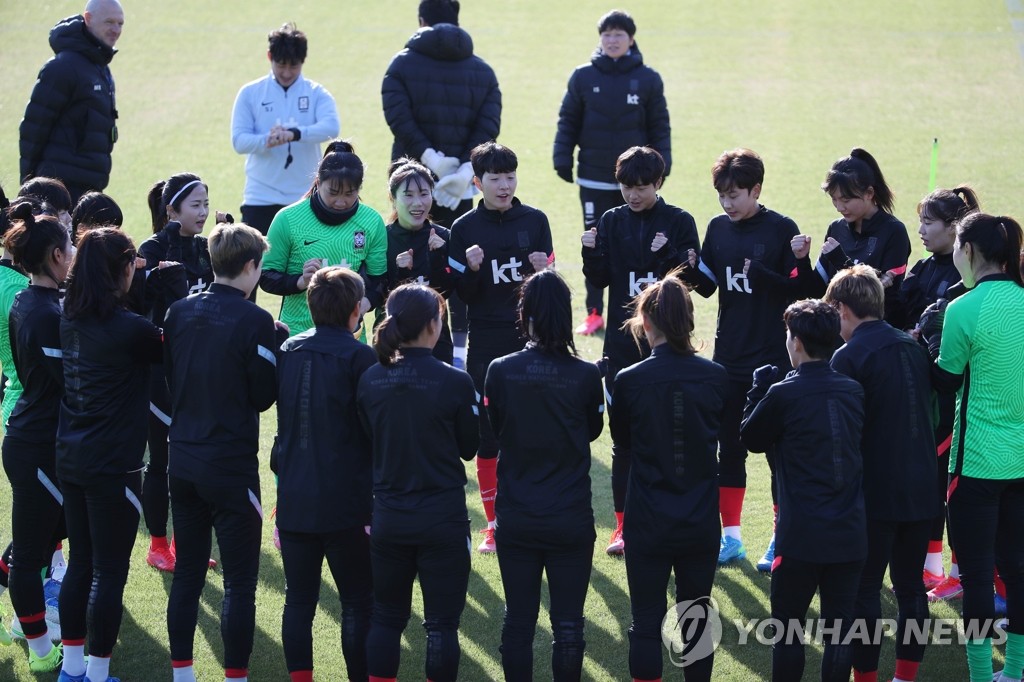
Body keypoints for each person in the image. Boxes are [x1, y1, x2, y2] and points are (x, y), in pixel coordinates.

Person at [163, 223, 286, 682]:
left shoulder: (177, 311)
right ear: (252, 266)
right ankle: (235, 676)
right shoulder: (255, 320)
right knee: (239, 583)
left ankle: (183, 674)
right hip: (230, 467)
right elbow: (262, 396)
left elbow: (172, 379)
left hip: (183, 460)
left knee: (189, 574)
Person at [678, 148, 801, 569]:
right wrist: (691, 268)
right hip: (728, 358)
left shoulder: (783, 229)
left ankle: (780, 539)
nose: (728, 203)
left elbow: (797, 292)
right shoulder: (718, 228)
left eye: (735, 195)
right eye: (722, 195)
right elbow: (709, 287)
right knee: (727, 450)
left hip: (772, 362)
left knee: (777, 456)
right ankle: (730, 539)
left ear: (756, 190)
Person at [484, 270, 604, 680]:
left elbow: (495, 429)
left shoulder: (500, 369)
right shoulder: (586, 374)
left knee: (518, 620)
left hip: (517, 515)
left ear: (525, 313)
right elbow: (592, 430)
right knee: (568, 626)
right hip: (570, 516)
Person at [357, 283, 479, 682]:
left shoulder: (371, 379)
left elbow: (366, 441)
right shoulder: (455, 381)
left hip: (390, 516)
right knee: (441, 625)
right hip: (442, 518)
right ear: (433, 325)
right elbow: (469, 448)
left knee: (387, 618)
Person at [824, 265, 940, 682]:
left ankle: (867, 679)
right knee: (910, 587)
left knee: (865, 587)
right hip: (924, 487)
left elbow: (841, 433)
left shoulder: (848, 355)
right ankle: (905, 677)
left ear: (841, 308)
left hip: (875, 492)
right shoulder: (913, 347)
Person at [741, 299, 866, 682]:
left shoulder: (782, 393)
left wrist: (757, 391)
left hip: (801, 537)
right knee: (840, 634)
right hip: (849, 533)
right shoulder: (853, 390)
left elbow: (751, 437)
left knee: (789, 635)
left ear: (795, 342)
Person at [580, 145, 698, 555]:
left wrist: (668, 254)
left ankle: (670, 522)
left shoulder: (679, 221)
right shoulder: (612, 221)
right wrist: (589, 251)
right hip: (622, 346)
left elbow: (697, 282)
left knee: (670, 439)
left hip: (670, 346)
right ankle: (625, 529)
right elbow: (599, 276)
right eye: (626, 187)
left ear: (659, 183)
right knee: (624, 441)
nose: (633, 195)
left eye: (641, 187)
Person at [56, 226, 161, 682]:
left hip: (72, 458)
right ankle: (98, 675)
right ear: (120, 269)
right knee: (110, 571)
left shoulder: (68, 315)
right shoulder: (131, 329)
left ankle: (73, 669)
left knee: (81, 562)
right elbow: (167, 351)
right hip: (113, 465)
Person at [611, 272, 728, 682]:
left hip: (648, 519)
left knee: (645, 622)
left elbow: (622, 446)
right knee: (696, 621)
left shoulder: (629, 380)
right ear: (690, 319)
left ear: (646, 323)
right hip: (699, 519)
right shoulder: (716, 377)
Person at [923, 213, 1024, 682]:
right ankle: (1018, 669)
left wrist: (923, 343)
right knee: (1019, 571)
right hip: (1021, 463)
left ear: (967, 252)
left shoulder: (963, 307)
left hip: (976, 466)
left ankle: (982, 675)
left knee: (977, 579)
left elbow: (944, 381)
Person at [381, 0, 502, 368]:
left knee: (403, 256)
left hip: (410, 177)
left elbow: (397, 115)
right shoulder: (482, 71)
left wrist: (428, 157)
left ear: (422, 21)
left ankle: (400, 341)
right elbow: (489, 123)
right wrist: (466, 167)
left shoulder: (401, 64)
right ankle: (455, 350)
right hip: (461, 186)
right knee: (455, 264)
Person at [447, 141, 554, 553]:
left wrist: (545, 273)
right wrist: (472, 270)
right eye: (495, 179)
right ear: (477, 182)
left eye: (510, 177)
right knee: (489, 435)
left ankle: (532, 516)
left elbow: (548, 289)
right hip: (486, 340)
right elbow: (464, 295)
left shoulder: (536, 220)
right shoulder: (463, 230)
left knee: (533, 431)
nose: (504, 185)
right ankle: (493, 523)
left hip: (531, 339)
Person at [274, 266, 375, 682]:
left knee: (298, 601)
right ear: (356, 311)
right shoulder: (360, 356)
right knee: (357, 601)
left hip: (295, 495)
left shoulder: (289, 349)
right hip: (346, 500)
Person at [554, 9, 671, 336]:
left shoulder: (648, 79)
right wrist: (562, 156)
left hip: (636, 182)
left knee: (639, 244)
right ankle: (594, 313)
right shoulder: (583, 76)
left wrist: (663, 162)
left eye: (619, 34)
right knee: (594, 244)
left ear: (631, 39)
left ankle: (643, 309)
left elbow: (659, 125)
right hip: (593, 177)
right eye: (607, 34)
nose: (612, 40)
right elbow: (568, 121)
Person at [2, 207, 75, 672]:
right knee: (29, 556)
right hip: (37, 444)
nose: (73, 255)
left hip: (37, 438)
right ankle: (43, 652)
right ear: (53, 255)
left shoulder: (32, 300)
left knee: (45, 541)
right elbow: (73, 380)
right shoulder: (44, 313)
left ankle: (23, 623)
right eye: (70, 247)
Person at [901, 186, 980, 603]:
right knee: (930, 482)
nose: (920, 230)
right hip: (926, 393)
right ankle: (933, 567)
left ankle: (959, 569)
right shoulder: (925, 267)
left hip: (956, 396)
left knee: (953, 487)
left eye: (928, 223)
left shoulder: (965, 279)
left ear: (955, 228)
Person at [138, 173, 217, 573]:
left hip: (200, 369)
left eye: (205, 204)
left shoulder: (206, 248)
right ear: (172, 209)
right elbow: (137, 304)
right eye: (194, 206)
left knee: (194, 460)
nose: (202, 213)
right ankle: (157, 545)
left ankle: (187, 544)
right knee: (163, 460)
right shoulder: (152, 248)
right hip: (161, 371)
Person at [260, 140, 387, 337]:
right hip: (297, 337)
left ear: (359, 188)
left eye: (349, 193)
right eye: (333, 193)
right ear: (318, 183)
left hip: (351, 338)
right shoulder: (288, 219)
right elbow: (266, 276)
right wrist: (301, 281)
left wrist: (364, 304)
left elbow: (379, 280)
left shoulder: (371, 221)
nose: (341, 201)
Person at [231, 23, 340, 241]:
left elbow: (331, 128)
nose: (287, 72)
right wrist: (266, 140)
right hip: (260, 196)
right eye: (281, 65)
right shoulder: (250, 93)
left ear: (303, 61)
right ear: (269, 56)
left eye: (294, 66)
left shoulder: (317, 93)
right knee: (256, 265)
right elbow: (239, 141)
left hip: (305, 196)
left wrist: (294, 133)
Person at [19, 0, 125, 202]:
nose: (116, 29)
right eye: (109, 22)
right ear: (88, 19)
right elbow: (34, 128)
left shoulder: (100, 68)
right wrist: (27, 185)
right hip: (56, 190)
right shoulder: (63, 67)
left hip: (87, 188)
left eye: (120, 24)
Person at [794, 148, 911, 327]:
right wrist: (802, 259)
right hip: (837, 339)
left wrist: (842, 262)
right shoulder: (836, 229)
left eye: (846, 200)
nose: (839, 207)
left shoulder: (894, 232)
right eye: (834, 199)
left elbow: (884, 299)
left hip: (874, 339)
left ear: (869, 193)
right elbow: (815, 291)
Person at [382, 158, 455, 363]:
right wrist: (401, 273)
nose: (418, 203)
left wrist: (439, 258)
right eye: (408, 195)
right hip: (393, 342)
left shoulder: (444, 237)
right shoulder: (382, 238)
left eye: (424, 194)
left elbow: (448, 291)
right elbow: (378, 293)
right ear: (393, 198)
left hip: (436, 341)